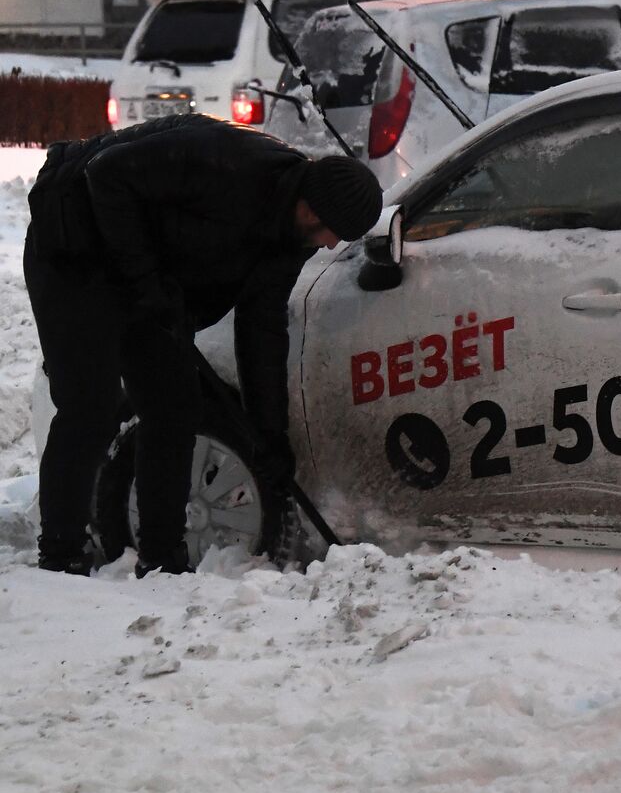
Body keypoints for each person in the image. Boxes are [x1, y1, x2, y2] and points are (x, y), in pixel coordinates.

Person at [24, 113, 382, 578]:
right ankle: (60, 553)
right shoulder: (230, 164)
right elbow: (105, 173)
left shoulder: (291, 238)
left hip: (147, 277)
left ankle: (161, 555)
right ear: (313, 210)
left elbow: (262, 328)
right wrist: (148, 283)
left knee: (173, 407)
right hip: (73, 245)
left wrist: (268, 436)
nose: (332, 244)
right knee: (88, 406)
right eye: (334, 232)